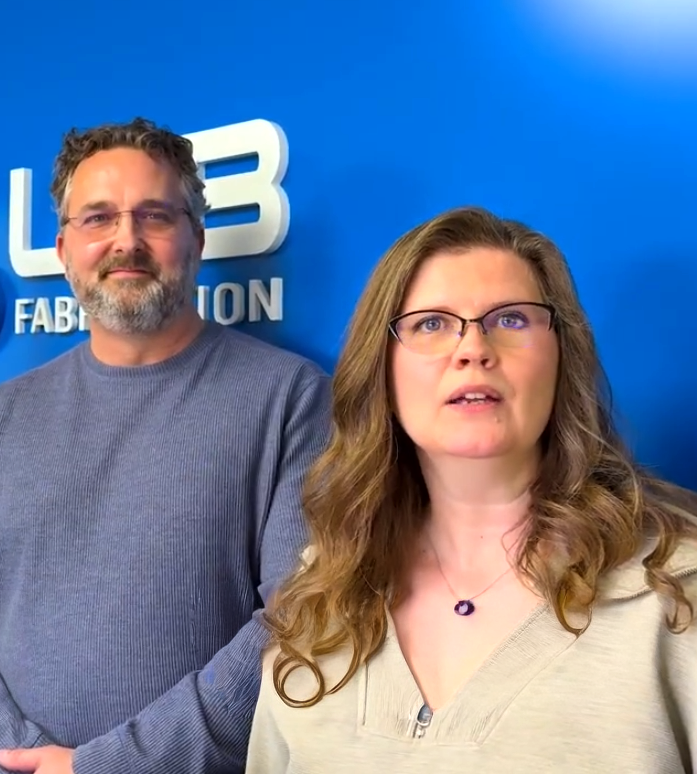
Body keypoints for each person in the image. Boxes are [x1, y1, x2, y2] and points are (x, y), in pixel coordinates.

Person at [0, 117, 333, 774]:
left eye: (154, 217)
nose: (124, 242)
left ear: (197, 235)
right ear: (63, 246)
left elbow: (298, 621)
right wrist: (21, 761)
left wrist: (105, 765)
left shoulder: (290, 399)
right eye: (97, 219)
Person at [247, 205, 697, 772]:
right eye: (431, 323)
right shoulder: (323, 592)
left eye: (510, 319)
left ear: (563, 356)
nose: (472, 349)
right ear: (380, 369)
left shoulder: (677, 592)